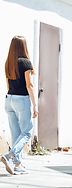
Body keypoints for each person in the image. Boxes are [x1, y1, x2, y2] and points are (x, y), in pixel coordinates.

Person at [1, 36, 38, 175]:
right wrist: (35, 105)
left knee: (16, 133)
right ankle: (9, 156)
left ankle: (17, 165)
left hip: (9, 99)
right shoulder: (25, 63)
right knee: (27, 132)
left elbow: (7, 84)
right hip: (21, 100)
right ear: (23, 46)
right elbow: (29, 85)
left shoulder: (8, 63)